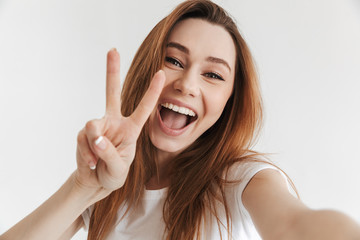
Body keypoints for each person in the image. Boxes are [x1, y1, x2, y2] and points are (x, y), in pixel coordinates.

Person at [1, 0, 360, 239]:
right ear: (147, 69)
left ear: (229, 102)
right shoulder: (102, 187)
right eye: (174, 60)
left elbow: (297, 225)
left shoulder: (240, 180)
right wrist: (84, 188)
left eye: (213, 75)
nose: (187, 84)